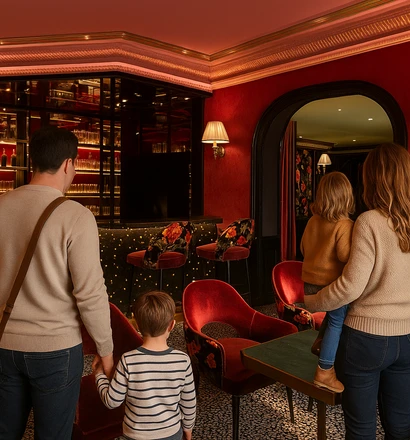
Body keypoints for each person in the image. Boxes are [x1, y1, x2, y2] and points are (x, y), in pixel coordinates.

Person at [0, 126, 114, 439]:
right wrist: (105, 349)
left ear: (32, 161)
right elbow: (90, 294)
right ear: (68, 164)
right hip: (56, 348)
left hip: (4, 342)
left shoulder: (2, 206)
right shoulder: (76, 216)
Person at [305, 143, 410, 440]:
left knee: (362, 431)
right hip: (407, 336)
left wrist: (314, 301)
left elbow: (351, 286)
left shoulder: (368, 221)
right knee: (401, 428)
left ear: (373, 178)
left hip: (365, 338)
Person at [93, 290, 196, 440]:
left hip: (135, 435)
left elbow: (112, 401)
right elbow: (189, 402)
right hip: (171, 433)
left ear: (137, 325)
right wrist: (188, 428)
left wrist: (99, 374)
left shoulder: (128, 360)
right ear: (172, 325)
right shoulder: (183, 360)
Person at [301, 171, 355, 393]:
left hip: (309, 285)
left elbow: (303, 248)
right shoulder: (344, 224)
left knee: (333, 317)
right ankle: (325, 369)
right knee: (337, 320)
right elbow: (345, 255)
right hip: (330, 286)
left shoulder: (313, 221)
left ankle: (321, 345)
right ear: (347, 196)